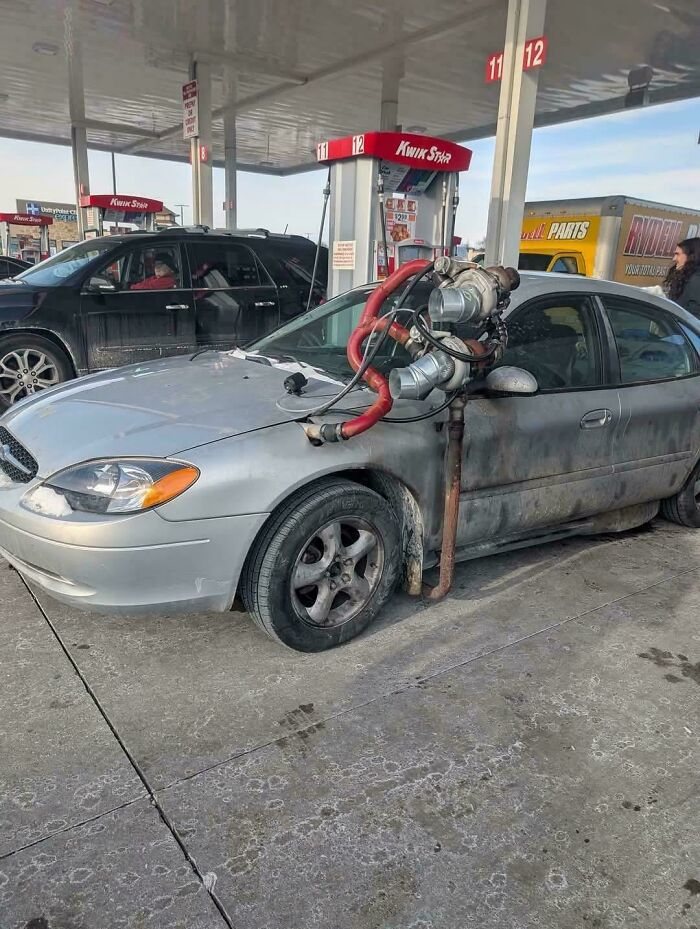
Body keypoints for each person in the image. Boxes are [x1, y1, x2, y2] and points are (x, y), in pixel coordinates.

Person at [663, 237, 700, 316]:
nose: (674, 259)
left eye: (678, 254)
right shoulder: (685, 278)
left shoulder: (696, 281)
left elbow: (693, 318)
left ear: (692, 256)